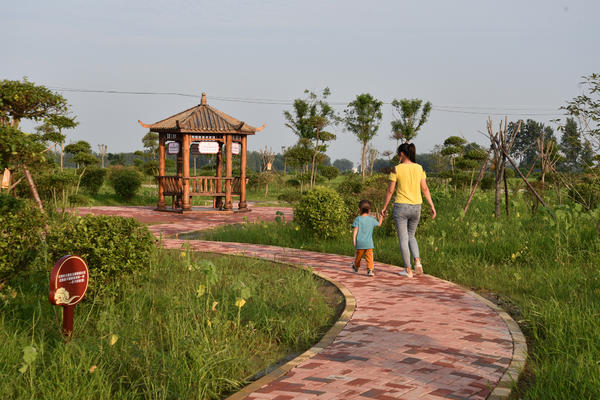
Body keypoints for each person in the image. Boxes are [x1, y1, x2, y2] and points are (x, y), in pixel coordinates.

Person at [381, 143, 436, 278]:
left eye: (398, 154)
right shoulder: (419, 168)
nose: (398, 156)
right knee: (411, 236)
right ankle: (417, 262)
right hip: (417, 207)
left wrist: (384, 207)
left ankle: (408, 270)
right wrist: (432, 206)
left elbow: (390, 190)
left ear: (403, 154)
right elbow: (425, 189)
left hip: (401, 207)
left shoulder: (396, 169)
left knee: (403, 239)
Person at [351, 199, 384, 277]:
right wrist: (381, 216)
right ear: (369, 210)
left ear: (359, 209)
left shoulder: (357, 219)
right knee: (369, 257)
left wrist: (354, 240)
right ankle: (370, 270)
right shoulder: (372, 219)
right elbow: (379, 224)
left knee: (358, 257)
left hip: (360, 243)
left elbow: (355, 231)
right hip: (369, 243)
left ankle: (356, 267)